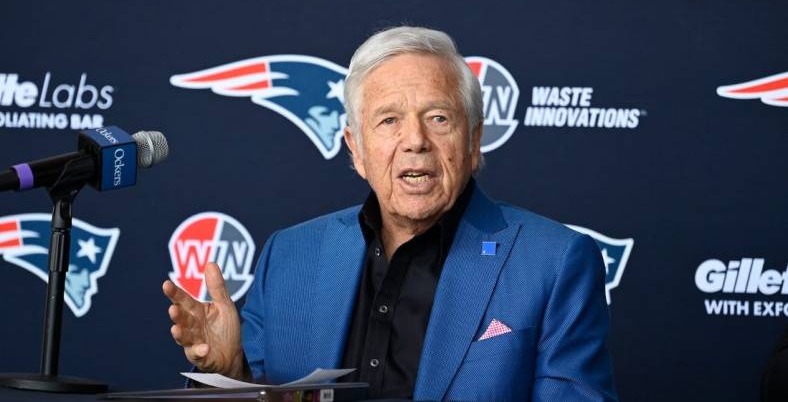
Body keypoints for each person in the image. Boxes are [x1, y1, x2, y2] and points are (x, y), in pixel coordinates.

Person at [163, 26, 618, 401]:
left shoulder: (554, 262)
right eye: (388, 121)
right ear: (356, 149)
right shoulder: (290, 256)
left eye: (439, 118)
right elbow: (258, 393)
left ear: (474, 140)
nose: (415, 140)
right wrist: (232, 372)